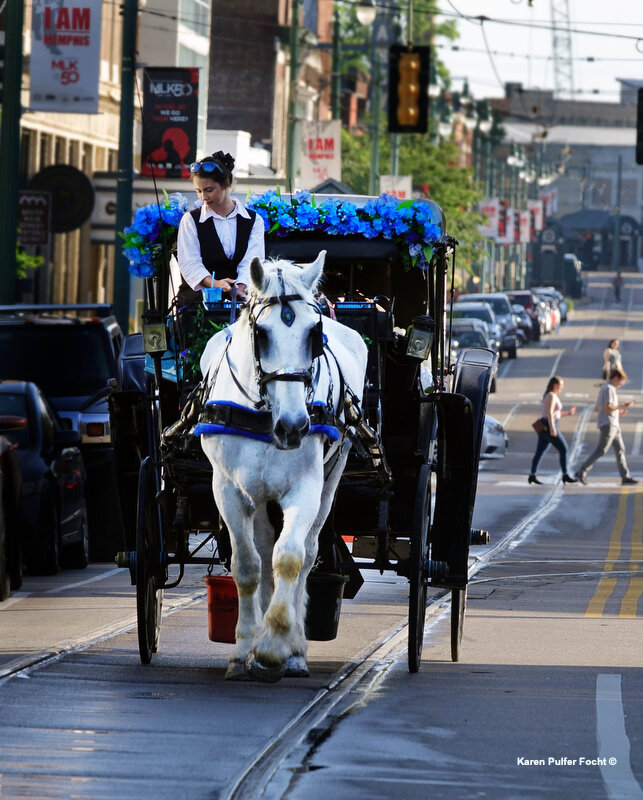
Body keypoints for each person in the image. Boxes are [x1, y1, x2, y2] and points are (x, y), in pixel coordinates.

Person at [176, 151, 265, 308]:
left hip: (242, 302)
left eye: (209, 190)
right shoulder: (190, 220)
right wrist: (216, 284)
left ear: (226, 184)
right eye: (198, 191)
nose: (203, 196)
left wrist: (241, 286)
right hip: (198, 302)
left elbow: (253, 260)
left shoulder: (254, 221)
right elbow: (190, 264)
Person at [575, 368, 638, 486]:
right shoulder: (609, 389)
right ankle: (581, 471)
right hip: (608, 424)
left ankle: (625, 476)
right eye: (621, 381)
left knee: (620, 450)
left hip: (613, 423)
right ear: (615, 378)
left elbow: (598, 408)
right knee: (601, 450)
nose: (621, 384)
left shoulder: (607, 388)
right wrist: (622, 405)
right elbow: (607, 408)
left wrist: (618, 412)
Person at [528, 376, 577, 485]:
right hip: (549, 426)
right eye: (561, 385)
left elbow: (555, 414)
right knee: (564, 449)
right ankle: (565, 475)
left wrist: (568, 413)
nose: (562, 388)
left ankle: (532, 475)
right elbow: (550, 413)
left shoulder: (549, 395)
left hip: (545, 425)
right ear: (555, 385)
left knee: (540, 452)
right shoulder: (551, 395)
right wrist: (553, 428)